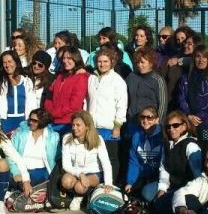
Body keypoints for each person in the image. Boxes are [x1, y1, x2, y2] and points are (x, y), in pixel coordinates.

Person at [153, 111, 202, 214]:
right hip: (171, 185)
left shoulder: (191, 146)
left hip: (186, 188)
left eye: (175, 125)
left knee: (162, 204)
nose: (171, 129)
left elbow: (198, 176)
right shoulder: (167, 144)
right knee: (148, 192)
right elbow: (164, 169)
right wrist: (162, 189)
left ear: (184, 126)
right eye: (168, 126)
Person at [87, 47, 128, 180]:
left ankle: (112, 187)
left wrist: (117, 126)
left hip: (109, 128)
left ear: (112, 62)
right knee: (95, 159)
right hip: (93, 127)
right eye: (99, 61)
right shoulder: (92, 78)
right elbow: (87, 100)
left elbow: (122, 105)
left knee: (111, 159)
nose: (102, 64)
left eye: (105, 61)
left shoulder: (118, 81)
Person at [60, 111, 114, 211]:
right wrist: (80, 174)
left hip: (94, 173)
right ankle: (81, 193)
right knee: (66, 181)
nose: (74, 128)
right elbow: (66, 165)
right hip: (76, 172)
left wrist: (108, 183)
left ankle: (79, 196)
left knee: (80, 187)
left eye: (78, 125)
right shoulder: (66, 139)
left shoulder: (98, 139)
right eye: (73, 125)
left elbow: (106, 163)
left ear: (87, 126)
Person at [177, 45, 208, 147]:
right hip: (189, 124)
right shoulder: (185, 78)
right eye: (198, 56)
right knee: (192, 154)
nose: (201, 60)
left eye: (204, 57)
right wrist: (188, 115)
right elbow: (181, 98)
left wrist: (199, 117)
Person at [43, 46, 89, 135]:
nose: (65, 61)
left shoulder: (81, 78)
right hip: (52, 122)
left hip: (68, 124)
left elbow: (74, 105)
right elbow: (49, 95)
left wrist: (54, 113)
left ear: (76, 59)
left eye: (69, 58)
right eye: (64, 58)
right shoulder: (59, 77)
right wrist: (49, 111)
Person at [8, 108, 59, 186]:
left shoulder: (53, 137)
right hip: (20, 170)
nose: (31, 122)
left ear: (43, 122)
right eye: (30, 120)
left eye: (35, 121)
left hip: (41, 172)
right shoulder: (20, 134)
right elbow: (10, 155)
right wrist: (16, 172)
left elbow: (56, 158)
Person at [0, 51, 36, 135]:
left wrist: (32, 123)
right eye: (4, 63)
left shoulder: (27, 81)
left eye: (10, 61)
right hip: (5, 123)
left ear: (16, 62)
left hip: (24, 123)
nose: (7, 65)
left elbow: (32, 105)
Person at [125, 106, 164, 201]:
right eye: (142, 117)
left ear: (157, 119)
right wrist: (130, 181)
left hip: (159, 176)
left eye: (150, 117)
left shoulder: (163, 135)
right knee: (129, 193)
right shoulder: (137, 135)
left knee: (146, 194)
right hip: (142, 174)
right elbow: (134, 161)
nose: (145, 120)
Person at [125, 47, 168, 128]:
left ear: (150, 63)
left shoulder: (158, 80)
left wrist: (159, 122)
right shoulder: (131, 77)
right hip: (132, 121)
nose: (139, 65)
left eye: (142, 62)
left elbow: (163, 103)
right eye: (137, 62)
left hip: (150, 123)